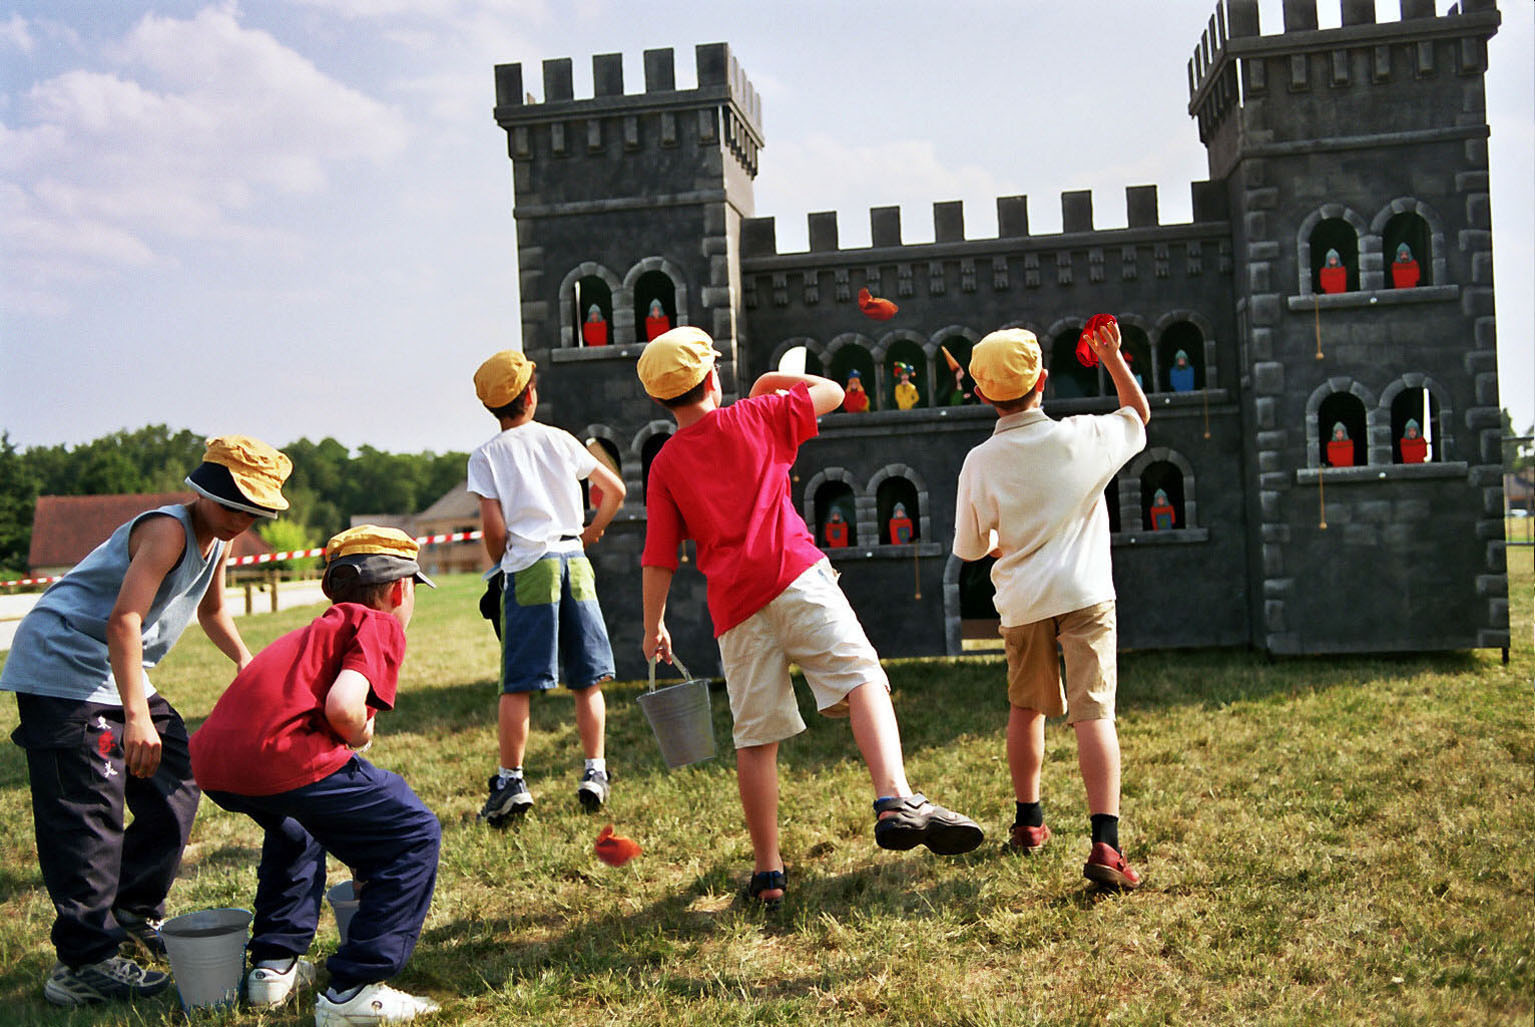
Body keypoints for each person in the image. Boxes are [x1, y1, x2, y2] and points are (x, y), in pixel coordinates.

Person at [637, 326, 984, 909]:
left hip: (736, 613)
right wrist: (774, 382)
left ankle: (769, 875)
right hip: (798, 578)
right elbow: (833, 392)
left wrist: (654, 627)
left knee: (756, 740)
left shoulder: (665, 464)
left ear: (659, 399)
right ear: (714, 379)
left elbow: (658, 557)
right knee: (863, 677)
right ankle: (895, 797)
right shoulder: (757, 414)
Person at [1, 435, 291, 1006]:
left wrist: (244, 659)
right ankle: (83, 962)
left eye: (253, 510)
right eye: (234, 505)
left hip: (112, 672)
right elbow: (124, 622)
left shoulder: (217, 542)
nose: (241, 519)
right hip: (66, 670)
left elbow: (211, 609)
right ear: (205, 491)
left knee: (179, 780)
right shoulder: (168, 531)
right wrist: (137, 714)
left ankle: (132, 910)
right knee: (89, 812)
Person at [190, 526, 441, 1024]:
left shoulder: (313, 630)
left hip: (214, 762)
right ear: (400, 589)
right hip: (283, 757)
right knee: (412, 832)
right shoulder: (379, 624)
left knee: (298, 826)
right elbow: (345, 706)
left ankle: (273, 967)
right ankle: (355, 989)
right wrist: (359, 734)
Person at [952, 324, 1150, 890]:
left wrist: (1003, 541)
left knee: (1027, 708)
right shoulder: (1083, 436)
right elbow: (1137, 415)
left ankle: (1029, 823)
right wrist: (1111, 359)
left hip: (1023, 601)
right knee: (1093, 714)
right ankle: (1107, 847)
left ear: (985, 395)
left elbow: (970, 548)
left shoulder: (979, 462)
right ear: (1043, 380)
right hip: (1086, 593)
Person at [468, 349, 626, 824]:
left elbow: (494, 530)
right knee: (587, 678)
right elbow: (614, 489)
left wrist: (503, 563)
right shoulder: (561, 440)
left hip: (530, 568)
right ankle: (594, 770)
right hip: (574, 561)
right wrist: (592, 529)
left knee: (518, 683)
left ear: (491, 407)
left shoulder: (487, 456)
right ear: (531, 395)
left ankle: (512, 782)